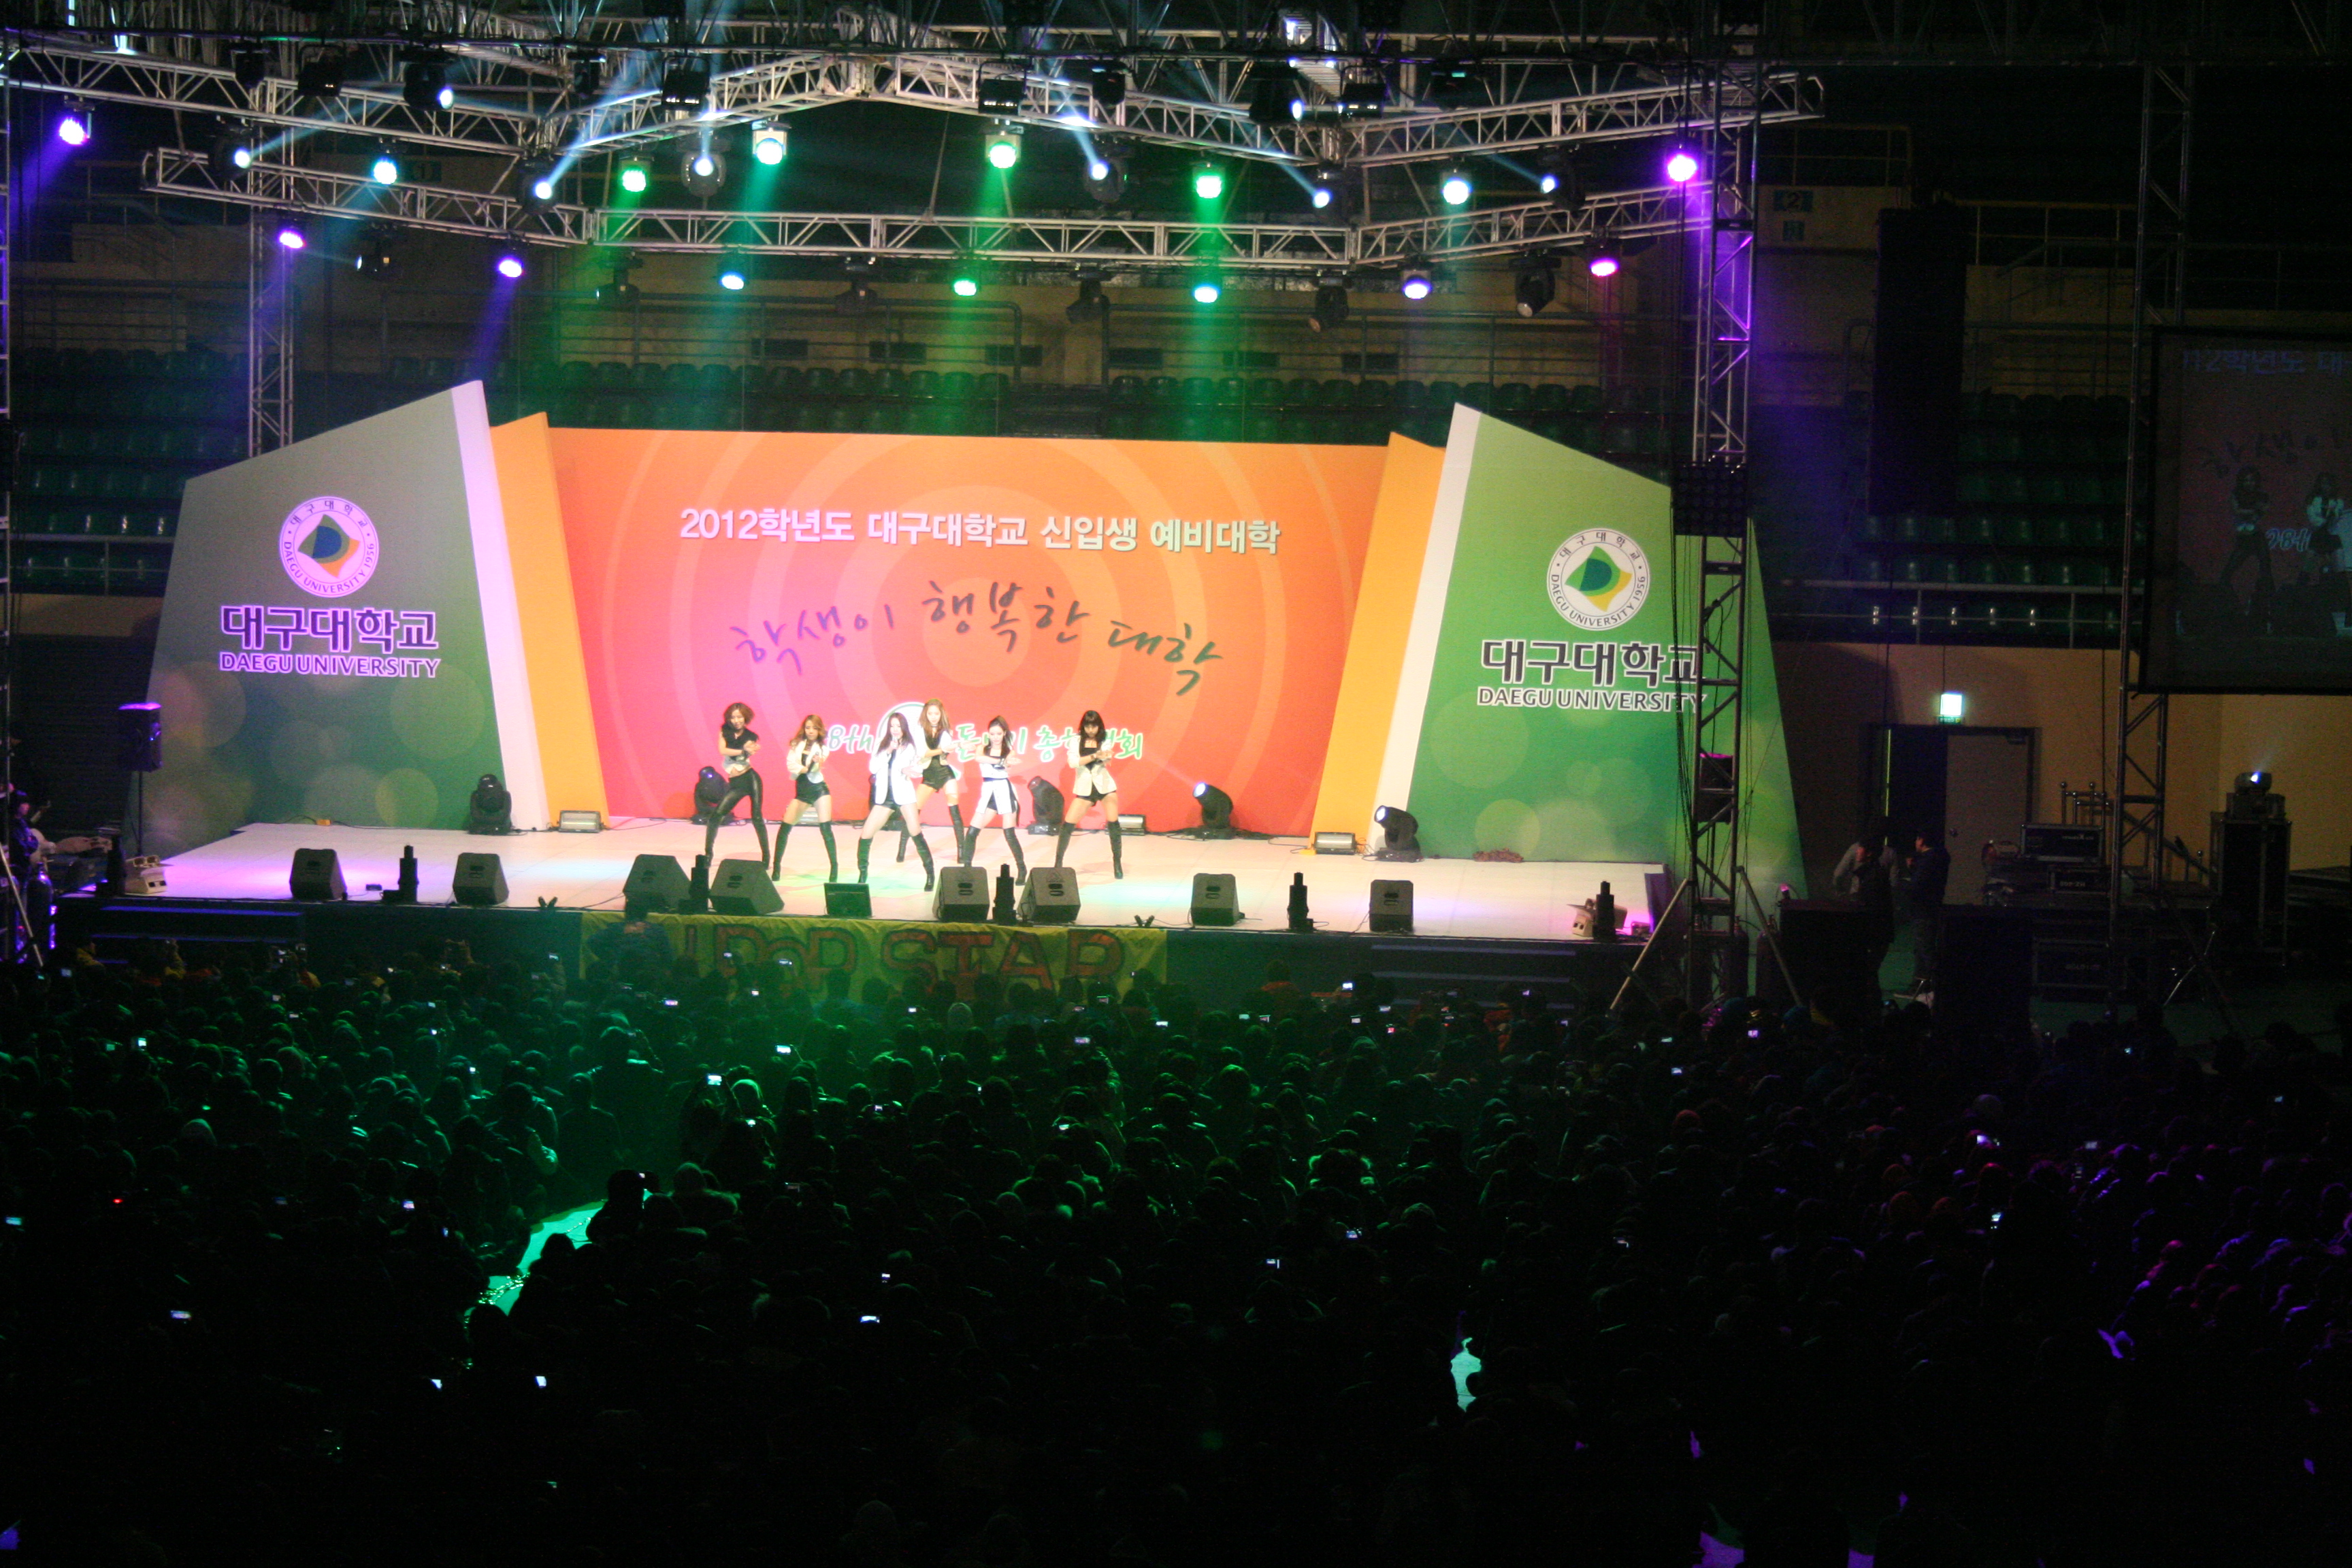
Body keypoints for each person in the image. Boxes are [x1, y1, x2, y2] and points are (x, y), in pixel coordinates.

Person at [858, 710, 933, 888]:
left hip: (904, 796)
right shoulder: (881, 743)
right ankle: (862, 875)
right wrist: (888, 750)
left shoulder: (910, 746)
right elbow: (873, 768)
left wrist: (907, 770)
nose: (895, 729)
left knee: (915, 832)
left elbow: (918, 768)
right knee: (866, 834)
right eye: (892, 726)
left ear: (904, 727)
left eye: (898, 726)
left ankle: (930, 874)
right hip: (885, 797)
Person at [700, 702, 769, 870]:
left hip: (750, 778)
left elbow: (750, 748)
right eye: (733, 717)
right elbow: (723, 750)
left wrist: (748, 749)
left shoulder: (751, 736)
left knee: (757, 818)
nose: (736, 720)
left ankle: (767, 858)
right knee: (716, 816)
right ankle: (708, 855)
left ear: (746, 718)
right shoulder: (724, 731)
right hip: (736, 783)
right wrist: (743, 751)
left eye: (739, 717)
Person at [1056, 709, 1123, 879]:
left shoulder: (1105, 739)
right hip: (1085, 788)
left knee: (1113, 824)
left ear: (1099, 726)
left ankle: (1117, 864)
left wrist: (1105, 757)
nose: (1091, 730)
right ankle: (1058, 864)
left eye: (1094, 726)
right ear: (1083, 726)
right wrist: (1095, 756)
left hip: (1105, 787)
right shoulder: (1076, 740)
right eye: (1088, 726)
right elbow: (1073, 762)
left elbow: (1106, 758)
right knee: (1067, 826)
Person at [772, 713, 840, 882]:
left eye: (814, 728)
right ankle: (776, 867)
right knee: (785, 828)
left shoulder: (823, 749)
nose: (810, 731)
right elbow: (790, 765)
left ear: (819, 730)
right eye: (808, 727)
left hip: (819, 790)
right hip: (802, 792)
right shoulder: (796, 745)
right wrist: (805, 768)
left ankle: (834, 868)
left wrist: (815, 764)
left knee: (826, 829)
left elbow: (816, 769)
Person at [1831, 817, 1897, 987]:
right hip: (1879, 915)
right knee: (1872, 962)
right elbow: (1894, 884)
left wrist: (1841, 894)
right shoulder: (1890, 854)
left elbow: (1838, 874)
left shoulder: (1859, 855)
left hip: (1860, 906)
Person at [966, 715, 1026, 881]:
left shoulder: (1009, 751)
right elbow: (979, 758)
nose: (995, 737)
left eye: (999, 734)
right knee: (972, 831)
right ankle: (966, 870)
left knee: (1009, 834)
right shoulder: (982, 748)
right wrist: (1001, 761)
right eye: (992, 734)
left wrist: (1005, 761)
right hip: (989, 793)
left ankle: (1022, 869)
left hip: (1005, 791)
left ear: (1004, 733)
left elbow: (1009, 762)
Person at [910, 698, 968, 868]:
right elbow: (923, 753)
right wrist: (944, 749)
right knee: (913, 813)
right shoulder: (919, 730)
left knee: (954, 810)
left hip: (945, 773)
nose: (934, 717)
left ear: (941, 714)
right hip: (929, 775)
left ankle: (961, 852)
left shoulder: (946, 730)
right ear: (926, 714)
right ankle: (901, 851)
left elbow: (948, 747)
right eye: (930, 713)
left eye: (936, 713)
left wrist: (959, 744)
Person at [2218, 465, 2274, 625]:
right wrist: (2252, 510)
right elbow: (2236, 511)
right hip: (2243, 538)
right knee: (2230, 568)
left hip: (2256, 536)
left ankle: (2270, 603)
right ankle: (2224, 600)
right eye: (2246, 480)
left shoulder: (2262, 495)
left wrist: (2250, 511)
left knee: (2265, 567)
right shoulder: (2236, 494)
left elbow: (2264, 510)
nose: (2249, 483)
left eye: (2252, 480)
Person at [1907, 830, 1952, 987]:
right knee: (1926, 946)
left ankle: (1925, 985)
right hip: (1933, 907)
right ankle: (1924, 984)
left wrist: (1907, 883)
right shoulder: (1940, 857)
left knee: (1924, 949)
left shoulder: (1927, 860)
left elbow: (1918, 886)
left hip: (1923, 909)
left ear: (1922, 840)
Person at [2305, 472, 2343, 576]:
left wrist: (2332, 515)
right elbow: (2314, 521)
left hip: (2332, 537)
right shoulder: (2313, 501)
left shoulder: (2338, 501)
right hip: (2317, 536)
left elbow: (2335, 520)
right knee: (2307, 569)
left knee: (2340, 570)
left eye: (2329, 484)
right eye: (2323, 484)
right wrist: (2327, 517)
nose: (2326, 487)